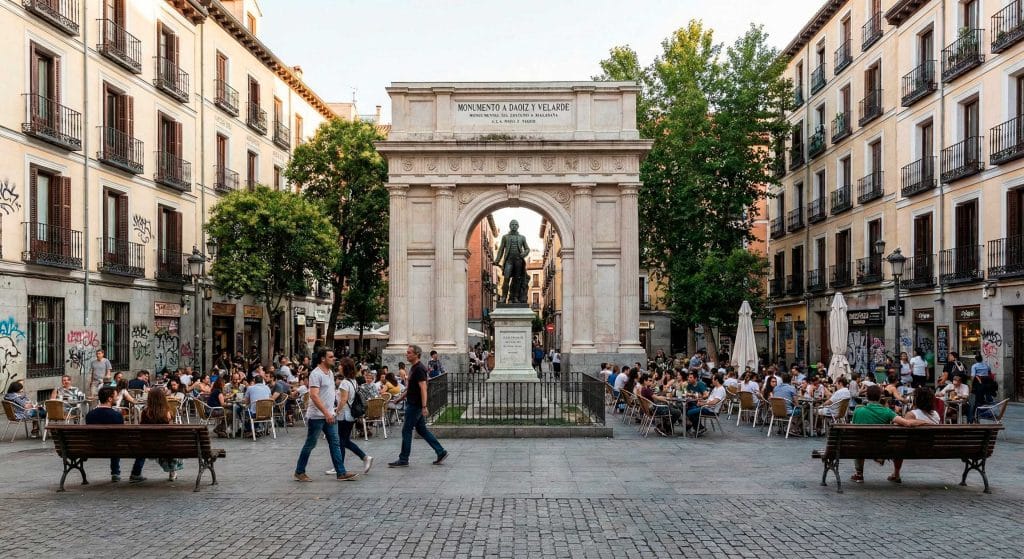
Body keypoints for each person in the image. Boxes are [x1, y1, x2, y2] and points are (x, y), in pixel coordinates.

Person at [850, 385, 932, 483]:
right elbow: (907, 423)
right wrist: (925, 422)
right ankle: (880, 460)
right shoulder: (887, 412)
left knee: (860, 441)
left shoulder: (858, 410)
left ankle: (859, 474)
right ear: (881, 397)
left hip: (860, 448)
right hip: (882, 448)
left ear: (867, 396)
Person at [294, 351, 351, 482]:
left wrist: (332, 410)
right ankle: (299, 471)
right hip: (317, 416)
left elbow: (329, 393)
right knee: (311, 444)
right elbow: (314, 395)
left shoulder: (330, 373)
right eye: (331, 357)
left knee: (335, 443)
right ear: (322, 358)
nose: (334, 358)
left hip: (329, 414)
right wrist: (326, 412)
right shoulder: (316, 374)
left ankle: (341, 472)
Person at [389, 345, 448, 467]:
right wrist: (399, 398)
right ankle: (440, 451)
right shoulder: (413, 368)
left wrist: (424, 406)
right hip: (413, 403)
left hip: (415, 405)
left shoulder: (419, 369)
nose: (407, 354)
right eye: (407, 352)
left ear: (417, 354)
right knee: (422, 430)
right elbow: (410, 388)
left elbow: (423, 388)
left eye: (409, 352)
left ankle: (403, 458)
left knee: (406, 430)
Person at [325, 358, 373, 477]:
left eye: (341, 365)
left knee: (341, 441)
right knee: (343, 440)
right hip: (350, 415)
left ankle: (362, 457)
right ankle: (341, 465)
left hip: (344, 415)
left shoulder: (345, 383)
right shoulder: (353, 381)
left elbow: (343, 400)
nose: (339, 367)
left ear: (345, 367)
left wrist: (337, 411)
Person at [86, 386, 145, 482]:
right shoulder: (116, 415)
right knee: (116, 442)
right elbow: (121, 434)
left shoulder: (90, 415)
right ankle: (121, 473)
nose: (117, 398)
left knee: (113, 441)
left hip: (94, 447)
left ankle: (116, 473)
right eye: (116, 396)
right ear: (109, 399)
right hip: (114, 447)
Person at [888, 387, 941, 483]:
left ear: (916, 400)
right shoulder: (936, 414)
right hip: (931, 447)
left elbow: (901, 429)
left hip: (912, 448)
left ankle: (896, 474)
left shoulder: (912, 414)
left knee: (898, 446)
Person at [140, 388, 183, 481]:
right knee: (172, 445)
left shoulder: (145, 412)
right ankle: (173, 471)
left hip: (149, 445)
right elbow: (171, 430)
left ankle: (136, 472)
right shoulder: (167, 413)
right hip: (165, 445)